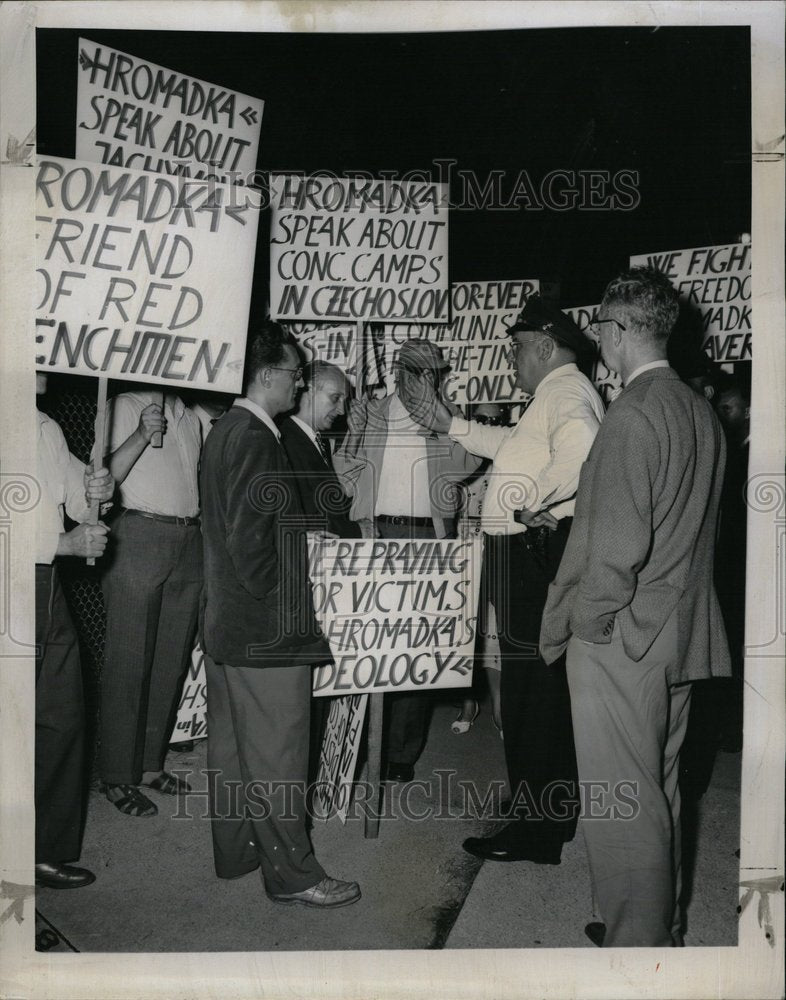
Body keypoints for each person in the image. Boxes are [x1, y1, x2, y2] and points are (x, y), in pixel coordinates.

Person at [540, 266, 731, 947]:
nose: (597, 338)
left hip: (624, 636)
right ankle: (661, 926)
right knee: (660, 787)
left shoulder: (632, 413)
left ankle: (636, 947)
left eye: (600, 327)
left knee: (622, 801)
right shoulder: (698, 408)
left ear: (620, 332)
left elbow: (617, 546)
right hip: (681, 634)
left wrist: (588, 625)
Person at [403, 295, 604, 864]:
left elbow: (584, 449)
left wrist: (525, 501)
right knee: (537, 692)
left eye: (517, 348)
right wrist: (452, 424)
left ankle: (534, 831)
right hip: (527, 557)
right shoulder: (555, 393)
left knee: (530, 697)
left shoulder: (564, 393)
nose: (511, 359)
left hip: (529, 559)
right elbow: (511, 448)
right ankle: (547, 822)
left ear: (544, 346)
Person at [200, 321, 360, 909]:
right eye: (295, 374)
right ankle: (294, 875)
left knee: (236, 752)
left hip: (229, 626)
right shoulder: (255, 437)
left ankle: (239, 852)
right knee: (278, 758)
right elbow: (252, 547)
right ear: (267, 376)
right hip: (266, 629)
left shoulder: (227, 430)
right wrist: (290, 602)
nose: (299, 384)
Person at [333, 339, 482, 783]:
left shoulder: (447, 415)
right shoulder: (369, 411)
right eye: (415, 371)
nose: (422, 379)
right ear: (398, 372)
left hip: (429, 539)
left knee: (417, 648)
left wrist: (443, 423)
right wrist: (353, 432)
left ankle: (400, 754)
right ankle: (361, 747)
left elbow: (467, 465)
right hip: (377, 533)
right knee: (370, 644)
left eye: (431, 371)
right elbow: (343, 473)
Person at [100, 389, 203, 816]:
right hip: (139, 533)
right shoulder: (125, 404)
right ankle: (116, 776)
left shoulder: (192, 418)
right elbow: (102, 478)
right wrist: (142, 434)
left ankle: (147, 765)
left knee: (169, 663)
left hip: (188, 538)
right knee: (129, 662)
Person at [35, 373, 114, 888]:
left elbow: (79, 507)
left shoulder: (43, 427)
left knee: (61, 718)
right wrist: (59, 545)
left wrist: (98, 489)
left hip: (44, 590)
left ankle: (42, 850)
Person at [278, 359, 360, 786]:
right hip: (311, 586)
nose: (341, 409)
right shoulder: (288, 440)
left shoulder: (312, 442)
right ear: (306, 390)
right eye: (334, 397)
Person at [452, 402, 511, 736]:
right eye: (482, 419)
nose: (488, 424)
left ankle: (499, 706)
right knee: (463, 632)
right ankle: (467, 702)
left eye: (495, 420)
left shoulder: (507, 459)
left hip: (495, 556)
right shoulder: (458, 457)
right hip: (461, 556)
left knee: (492, 633)